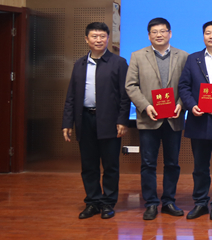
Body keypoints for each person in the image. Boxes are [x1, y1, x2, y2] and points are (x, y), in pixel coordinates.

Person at [62, 22, 131, 219]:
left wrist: (122, 120)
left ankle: (108, 203)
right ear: (87, 39)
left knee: (110, 165)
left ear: (108, 39)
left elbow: (125, 95)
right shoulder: (79, 64)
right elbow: (71, 96)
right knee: (89, 165)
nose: (98, 40)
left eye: (102, 36)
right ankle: (92, 202)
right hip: (85, 120)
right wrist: (67, 122)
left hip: (109, 121)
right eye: (94, 36)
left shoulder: (118, 63)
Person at [125, 17, 189, 220]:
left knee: (172, 163)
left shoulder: (184, 56)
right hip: (149, 118)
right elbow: (131, 85)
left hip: (173, 118)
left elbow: (188, 85)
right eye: (154, 32)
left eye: (163, 31)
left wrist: (181, 104)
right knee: (148, 163)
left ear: (170, 33)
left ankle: (169, 201)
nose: (159, 35)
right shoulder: (137, 56)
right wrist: (146, 106)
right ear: (149, 35)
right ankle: (151, 203)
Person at [177, 21, 212, 221]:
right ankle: (200, 202)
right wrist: (191, 105)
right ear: (203, 37)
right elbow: (184, 86)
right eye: (208, 33)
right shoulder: (193, 59)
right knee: (200, 166)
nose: (211, 36)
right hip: (198, 120)